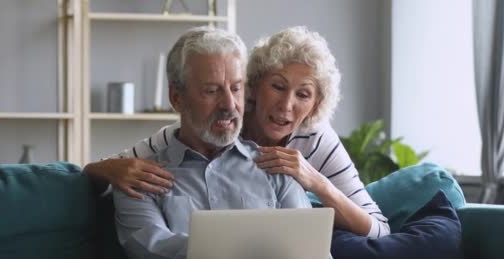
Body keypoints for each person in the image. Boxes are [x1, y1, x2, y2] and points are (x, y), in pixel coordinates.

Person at [106, 26, 347, 259]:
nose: (229, 105)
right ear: (177, 97)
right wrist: (256, 258)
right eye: (211, 91)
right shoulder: (139, 176)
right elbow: (155, 256)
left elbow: (311, 256)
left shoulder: (275, 166)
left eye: (235, 88)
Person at [85, 26, 390, 239]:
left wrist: (315, 182)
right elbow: (105, 169)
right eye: (278, 86)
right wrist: (107, 168)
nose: (286, 105)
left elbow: (378, 228)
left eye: (303, 94)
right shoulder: (222, 122)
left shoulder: (315, 137)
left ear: (316, 104)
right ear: (255, 86)